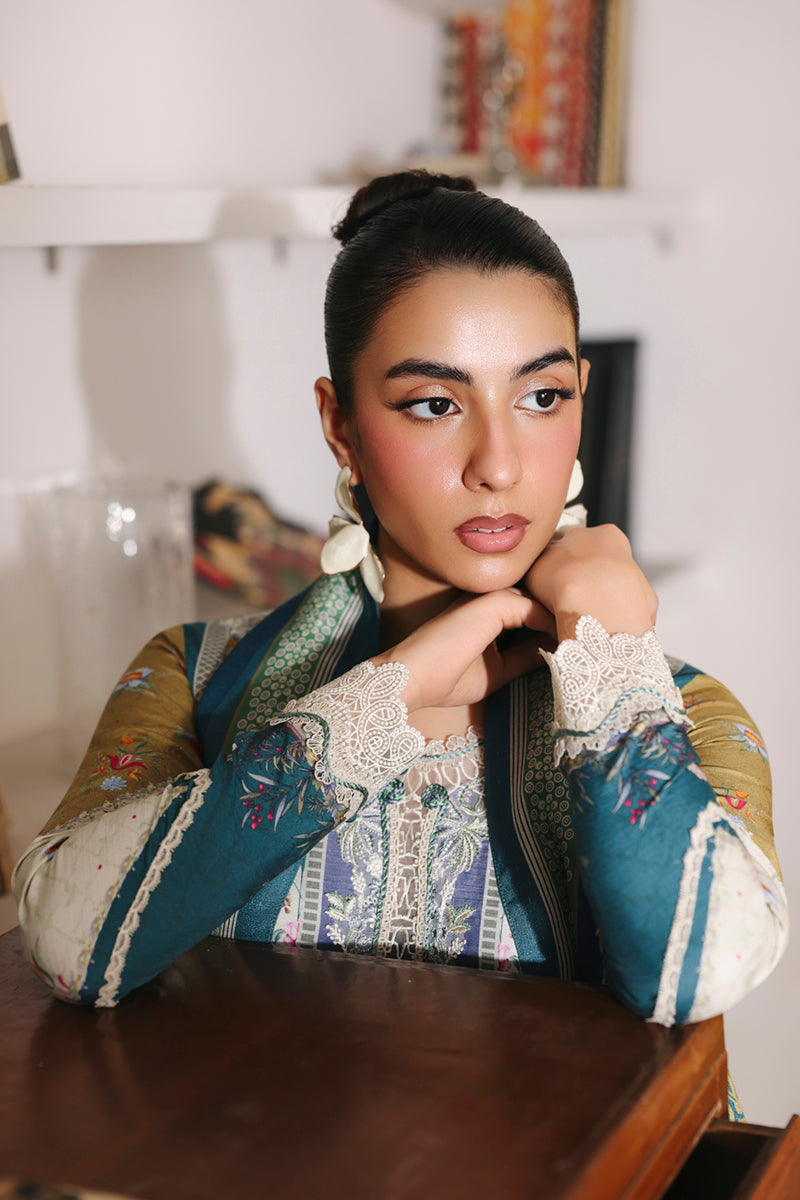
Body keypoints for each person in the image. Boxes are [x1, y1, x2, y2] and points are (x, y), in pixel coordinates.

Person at [13, 174, 787, 1070]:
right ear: (339, 424)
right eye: (434, 403)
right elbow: (67, 944)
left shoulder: (675, 712)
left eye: (541, 397)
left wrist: (610, 648)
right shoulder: (193, 678)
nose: (499, 465)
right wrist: (391, 693)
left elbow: (700, 971)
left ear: (583, 395)